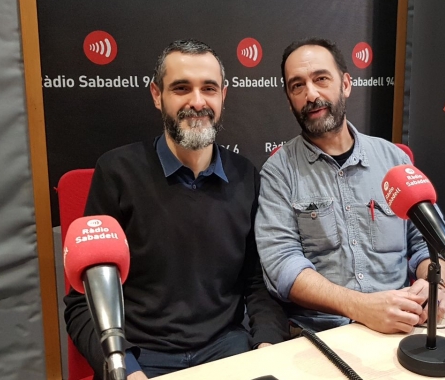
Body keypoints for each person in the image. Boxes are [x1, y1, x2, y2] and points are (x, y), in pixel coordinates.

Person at [64, 39, 288, 380]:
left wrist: (267, 347)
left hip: (226, 351)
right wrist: (125, 368)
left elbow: (258, 283)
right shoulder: (117, 172)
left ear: (223, 96)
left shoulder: (246, 176)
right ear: (157, 95)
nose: (197, 102)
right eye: (181, 88)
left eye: (208, 89)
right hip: (141, 357)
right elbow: (83, 302)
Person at [256, 37, 445, 335]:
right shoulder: (278, 171)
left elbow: (432, 242)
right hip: (322, 335)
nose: (311, 94)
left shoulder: (394, 159)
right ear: (289, 99)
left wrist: (432, 285)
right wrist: (360, 306)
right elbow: (283, 266)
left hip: (403, 327)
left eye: (321, 79)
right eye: (297, 86)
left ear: (345, 84)